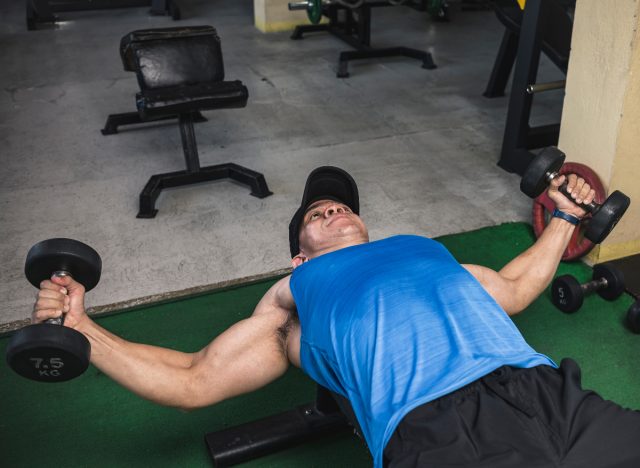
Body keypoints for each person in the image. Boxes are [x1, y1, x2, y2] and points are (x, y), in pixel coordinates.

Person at [33, 166, 639, 467]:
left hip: (541, 387)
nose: (330, 208)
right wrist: (82, 330)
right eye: (314, 214)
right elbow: (194, 378)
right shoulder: (295, 293)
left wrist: (562, 216)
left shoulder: (424, 249)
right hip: (435, 423)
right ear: (300, 253)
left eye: (339, 204)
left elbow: (511, 286)